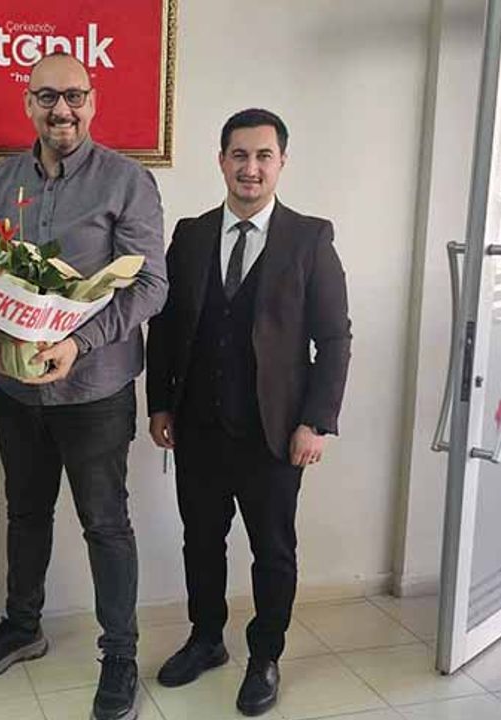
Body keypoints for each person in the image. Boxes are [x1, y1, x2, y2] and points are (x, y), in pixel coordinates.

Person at [0, 52, 168, 720]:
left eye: (74, 95)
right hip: (16, 390)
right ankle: (24, 627)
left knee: (105, 524)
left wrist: (78, 342)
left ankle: (120, 657)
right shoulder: (0, 183)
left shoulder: (127, 182)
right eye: (47, 96)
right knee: (24, 512)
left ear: (93, 100)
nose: (62, 110)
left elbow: (151, 286)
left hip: (95, 392)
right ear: (28, 103)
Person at [145, 108, 352, 716]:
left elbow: (334, 339)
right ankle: (206, 639)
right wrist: (160, 403)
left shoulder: (310, 238)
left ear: (281, 162)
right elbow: (166, 328)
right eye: (239, 155)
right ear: (221, 161)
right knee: (201, 542)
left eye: (264, 156)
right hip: (199, 427)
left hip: (275, 432)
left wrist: (316, 421)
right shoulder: (190, 236)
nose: (251, 168)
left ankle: (265, 655)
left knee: (273, 550)